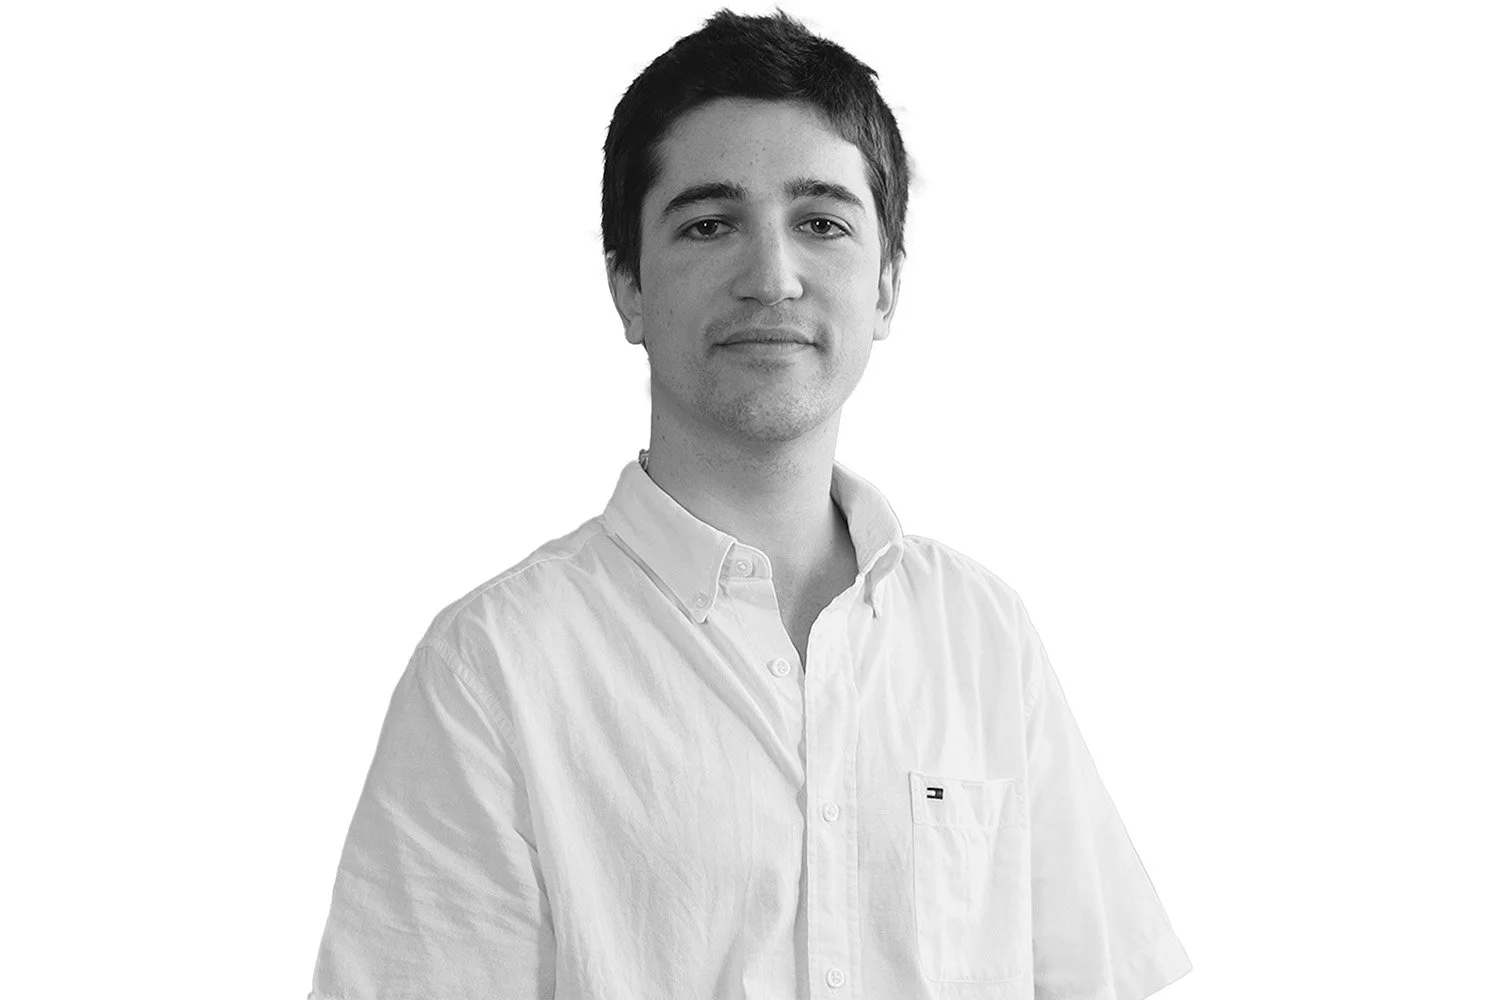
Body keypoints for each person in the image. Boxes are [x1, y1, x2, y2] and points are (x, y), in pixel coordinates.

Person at [308, 9, 1192, 999]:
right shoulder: (493, 671)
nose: (771, 277)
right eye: (709, 224)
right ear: (627, 287)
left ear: (887, 285)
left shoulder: (982, 637)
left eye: (821, 223)